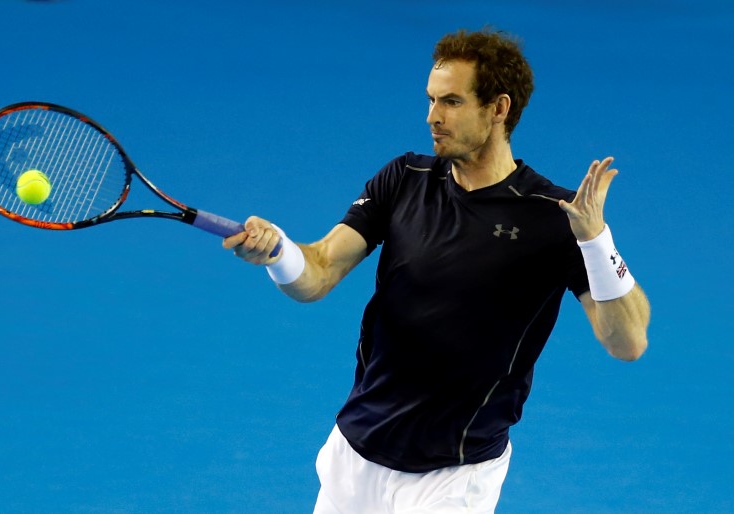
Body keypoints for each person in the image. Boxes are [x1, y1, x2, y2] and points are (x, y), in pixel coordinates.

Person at [223, 28, 650, 514]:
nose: (432, 117)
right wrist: (278, 252)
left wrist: (596, 241)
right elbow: (317, 271)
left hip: (454, 476)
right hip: (356, 451)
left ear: (498, 108)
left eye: (450, 102)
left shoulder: (554, 216)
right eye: (430, 100)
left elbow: (628, 342)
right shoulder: (404, 178)